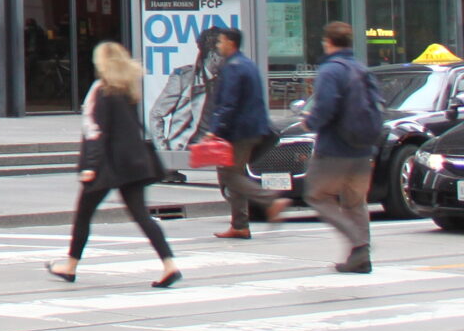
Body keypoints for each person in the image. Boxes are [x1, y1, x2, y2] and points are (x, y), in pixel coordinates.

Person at [50, 41, 182, 287]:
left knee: (83, 215)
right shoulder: (127, 90)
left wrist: (89, 166)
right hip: (134, 163)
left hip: (108, 165)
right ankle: (169, 264)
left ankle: (70, 264)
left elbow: (96, 132)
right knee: (142, 215)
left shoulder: (101, 91)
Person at [302, 21, 381, 275]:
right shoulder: (362, 70)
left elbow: (325, 107)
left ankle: (359, 244)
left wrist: (309, 122)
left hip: (335, 148)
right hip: (363, 147)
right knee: (355, 202)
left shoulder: (330, 71)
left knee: (316, 195)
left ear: (328, 42)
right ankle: (361, 257)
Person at [198, 26, 285, 238]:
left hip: (239, 132)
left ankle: (270, 200)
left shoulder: (234, 68)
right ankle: (239, 225)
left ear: (231, 43)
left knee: (229, 175)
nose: (218, 46)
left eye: (220, 42)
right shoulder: (247, 64)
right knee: (234, 174)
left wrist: (215, 130)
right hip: (252, 129)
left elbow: (229, 104)